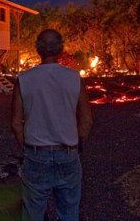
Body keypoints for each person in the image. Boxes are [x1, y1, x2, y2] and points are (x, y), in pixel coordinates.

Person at [11, 29, 93, 221]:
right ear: (60, 49)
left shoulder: (24, 80)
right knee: (69, 212)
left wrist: (27, 146)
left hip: (36, 153)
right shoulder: (74, 78)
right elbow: (87, 120)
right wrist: (77, 146)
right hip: (68, 153)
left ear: (38, 49)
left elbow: (16, 123)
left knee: (33, 212)